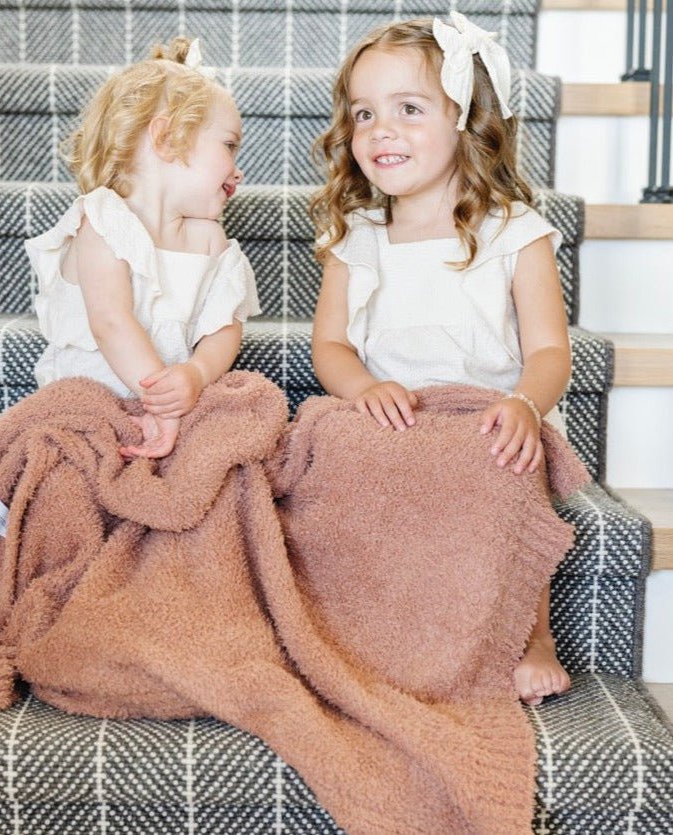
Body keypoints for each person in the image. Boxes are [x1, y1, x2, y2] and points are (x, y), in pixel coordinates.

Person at [309, 13, 572, 706]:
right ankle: (378, 629)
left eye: (407, 109)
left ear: (465, 118)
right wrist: (361, 387)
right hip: (390, 418)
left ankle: (528, 632)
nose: (379, 131)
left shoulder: (514, 230)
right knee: (326, 452)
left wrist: (521, 404)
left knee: (508, 464)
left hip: (480, 418)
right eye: (363, 114)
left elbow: (548, 351)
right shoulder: (358, 235)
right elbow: (330, 345)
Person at [25, 37, 259, 459]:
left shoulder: (210, 239)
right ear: (167, 138)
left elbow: (224, 325)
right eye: (229, 145)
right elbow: (111, 321)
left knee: (244, 411)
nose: (238, 171)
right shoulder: (103, 221)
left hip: (174, 398)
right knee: (69, 452)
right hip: (94, 399)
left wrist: (196, 372)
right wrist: (160, 401)